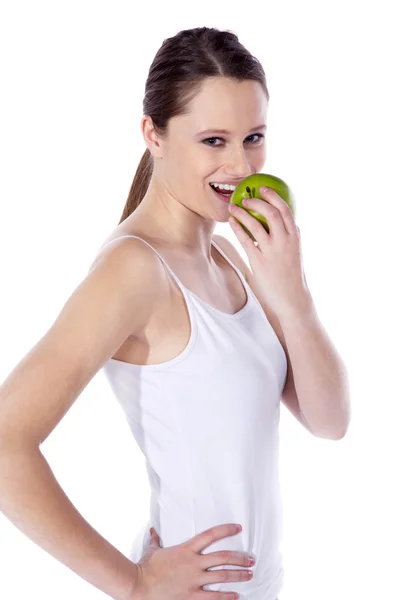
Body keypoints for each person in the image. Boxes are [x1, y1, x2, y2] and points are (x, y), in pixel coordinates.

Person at [0, 25, 312, 600]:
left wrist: (292, 292)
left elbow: (329, 419)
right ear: (154, 134)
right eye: (213, 141)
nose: (242, 167)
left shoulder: (225, 254)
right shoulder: (134, 270)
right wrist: (136, 584)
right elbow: (5, 442)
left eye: (255, 137)